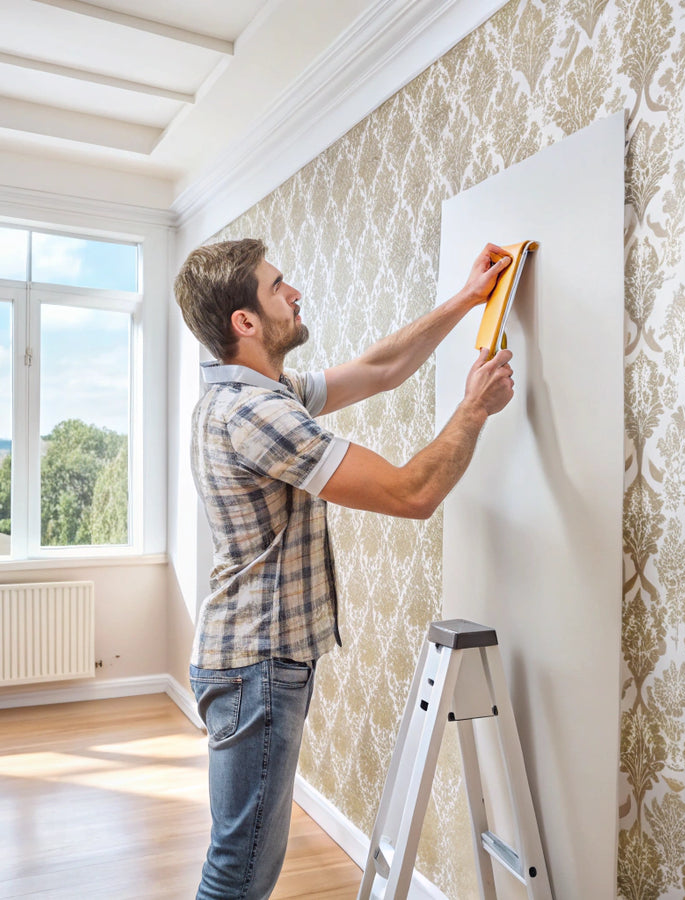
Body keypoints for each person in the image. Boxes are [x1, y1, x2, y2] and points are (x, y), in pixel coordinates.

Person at [174, 238, 515, 900]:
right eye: (278, 287)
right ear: (244, 321)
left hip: (250, 660)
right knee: (240, 870)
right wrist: (474, 408)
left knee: (243, 859)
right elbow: (411, 494)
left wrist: (467, 300)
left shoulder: (258, 391)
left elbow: (379, 369)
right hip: (256, 664)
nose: (295, 293)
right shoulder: (259, 414)